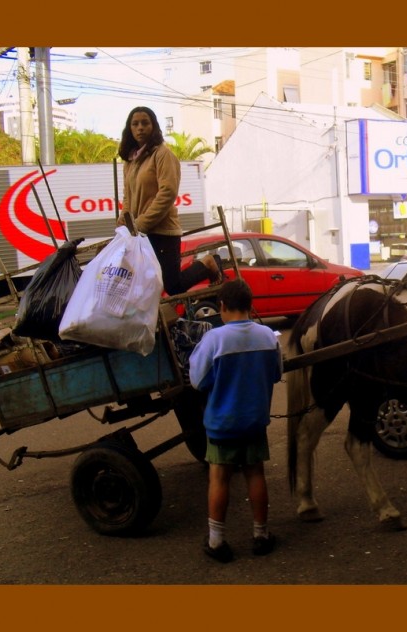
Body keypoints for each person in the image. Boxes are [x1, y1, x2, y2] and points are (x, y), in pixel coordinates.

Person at [187, 279, 283, 563]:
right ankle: (261, 535)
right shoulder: (268, 337)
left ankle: (217, 542)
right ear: (251, 306)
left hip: (222, 424)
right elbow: (277, 374)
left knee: (220, 476)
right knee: (255, 473)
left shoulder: (214, 339)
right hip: (254, 421)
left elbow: (198, 381)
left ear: (223, 307)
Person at [117, 105, 223, 296]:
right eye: (135, 124)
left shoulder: (162, 155)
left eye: (145, 123)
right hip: (141, 234)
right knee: (145, 286)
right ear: (129, 129)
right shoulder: (130, 161)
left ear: (154, 126)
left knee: (172, 286)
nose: (140, 127)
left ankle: (207, 263)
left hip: (163, 232)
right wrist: (124, 217)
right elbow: (127, 195)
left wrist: (140, 224)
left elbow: (168, 193)